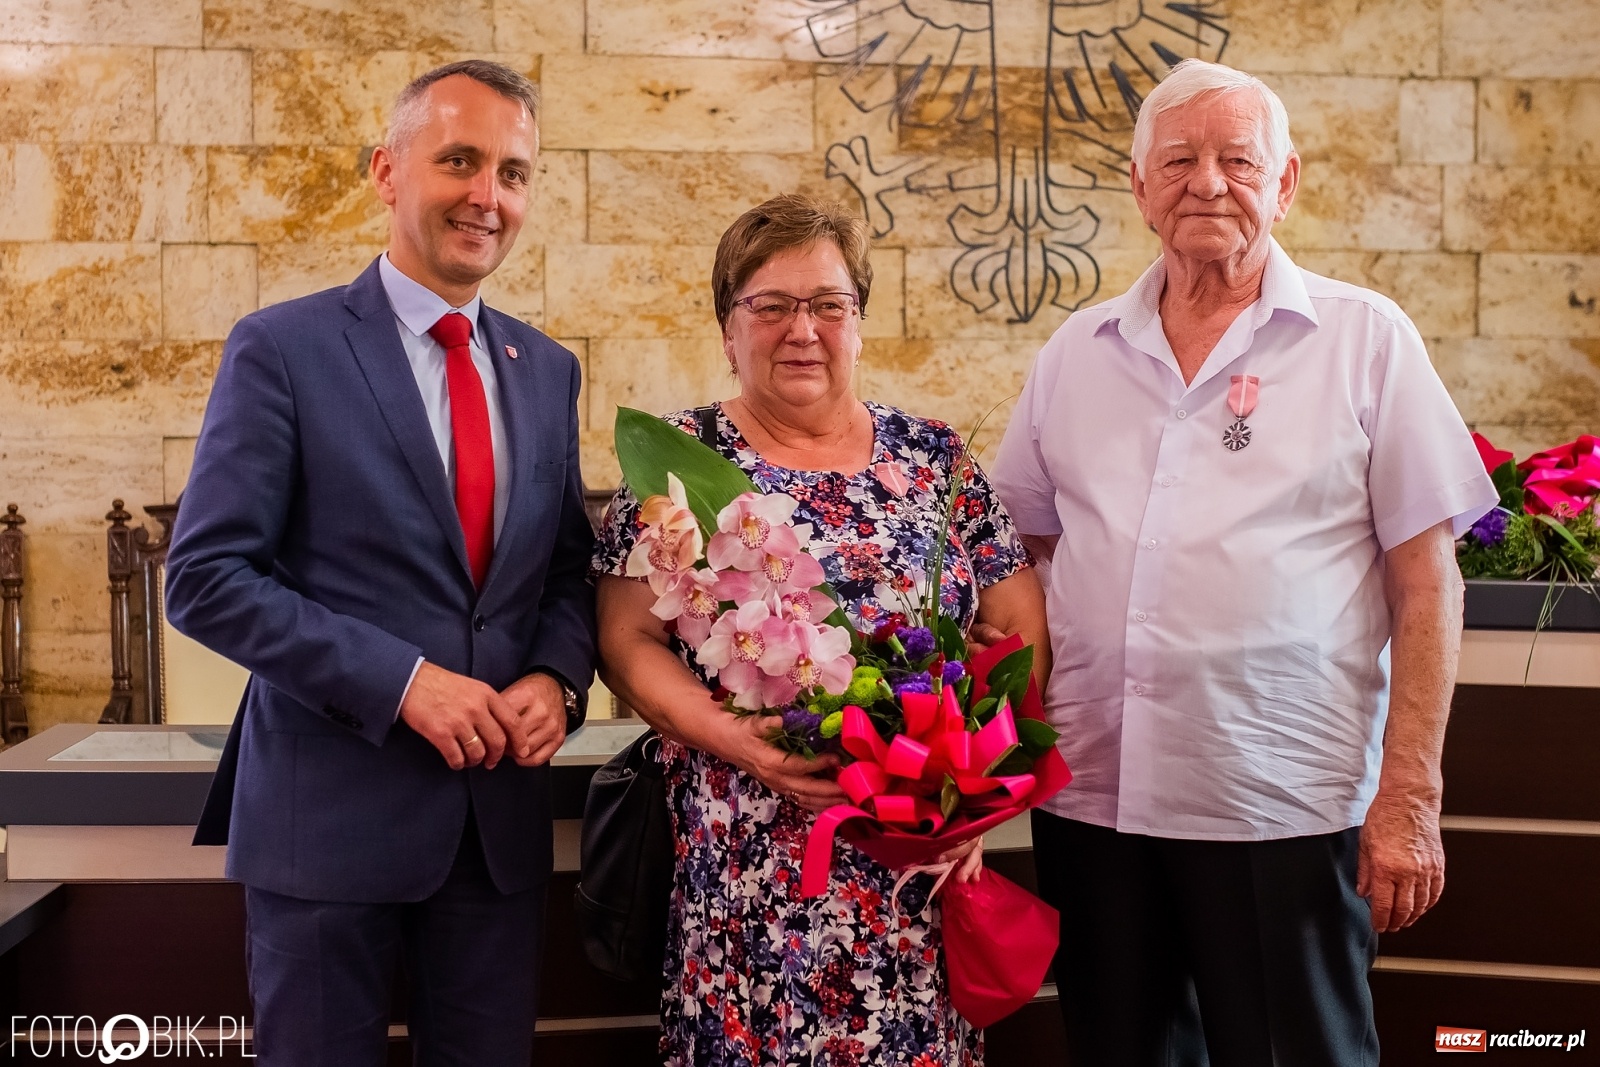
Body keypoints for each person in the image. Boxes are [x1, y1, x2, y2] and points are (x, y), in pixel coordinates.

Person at [988, 59, 1498, 1066]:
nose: (1207, 183)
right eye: (1178, 160)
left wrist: (1409, 793)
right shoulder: (1076, 351)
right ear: (1140, 187)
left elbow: (1427, 582)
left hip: (1280, 799)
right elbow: (1023, 554)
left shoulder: (1364, 339)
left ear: (1286, 181)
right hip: (1094, 799)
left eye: (1237, 159)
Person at [166, 60, 596, 1066]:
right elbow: (207, 577)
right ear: (387, 170)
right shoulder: (282, 347)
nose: (487, 194)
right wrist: (403, 682)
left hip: (494, 832)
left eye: (513, 172)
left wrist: (555, 677)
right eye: (460, 160)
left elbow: (565, 574)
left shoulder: (548, 369)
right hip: (325, 827)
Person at [592, 193, 1049, 1066]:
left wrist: (973, 793)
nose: (802, 330)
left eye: (829, 305)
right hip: (748, 872)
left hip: (916, 873)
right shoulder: (679, 464)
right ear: (728, 331)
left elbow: (1016, 628)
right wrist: (742, 740)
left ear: (859, 324)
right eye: (770, 305)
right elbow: (626, 643)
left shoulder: (935, 458)